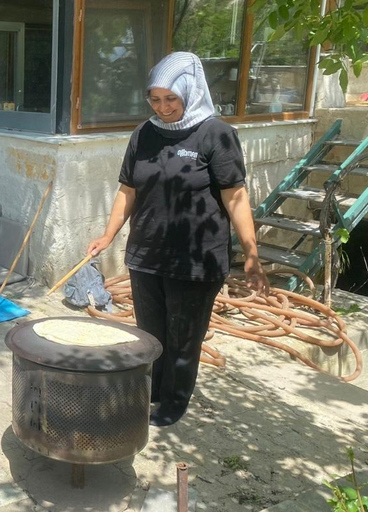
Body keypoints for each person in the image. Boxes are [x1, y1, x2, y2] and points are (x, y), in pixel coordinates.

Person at [86, 52, 269, 427]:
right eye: (155, 98)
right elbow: (127, 190)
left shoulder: (215, 133)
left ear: (191, 91)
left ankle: (174, 401)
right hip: (146, 254)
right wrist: (108, 234)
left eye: (171, 98)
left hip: (196, 260)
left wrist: (251, 254)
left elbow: (235, 197)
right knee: (150, 334)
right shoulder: (144, 133)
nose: (163, 107)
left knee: (183, 338)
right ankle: (149, 390)